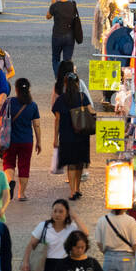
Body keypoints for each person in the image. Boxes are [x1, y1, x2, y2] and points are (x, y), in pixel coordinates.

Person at [20, 199, 85, 271]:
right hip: (46, 266)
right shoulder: (44, 226)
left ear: (66, 213)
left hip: (64, 266)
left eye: (61, 211)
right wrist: (25, 261)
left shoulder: (71, 228)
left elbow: (85, 234)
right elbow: (31, 244)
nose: (57, 214)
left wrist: (75, 217)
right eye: (55, 211)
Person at [53, 69, 94, 201]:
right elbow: (91, 111)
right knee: (79, 163)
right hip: (81, 135)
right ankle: (77, 188)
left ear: (65, 84)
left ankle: (72, 192)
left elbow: (57, 120)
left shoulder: (61, 99)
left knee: (70, 164)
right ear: (77, 83)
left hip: (66, 136)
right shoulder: (82, 97)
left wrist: (55, 138)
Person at [0, 77, 42, 201]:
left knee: (9, 163)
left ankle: (10, 181)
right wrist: (39, 142)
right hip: (26, 141)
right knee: (24, 166)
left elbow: (1, 119)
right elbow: (37, 125)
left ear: (16, 89)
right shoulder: (33, 105)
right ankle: (21, 194)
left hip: (10, 140)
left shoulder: (9, 102)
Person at [47, 0, 81, 79]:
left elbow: (48, 16)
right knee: (67, 60)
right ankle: (68, 78)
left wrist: (53, 3)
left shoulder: (55, 5)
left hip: (57, 35)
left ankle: (58, 78)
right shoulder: (72, 5)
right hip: (69, 36)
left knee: (56, 58)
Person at [101, 14, 134, 108]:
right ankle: (110, 98)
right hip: (123, 58)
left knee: (110, 79)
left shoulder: (110, 36)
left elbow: (106, 49)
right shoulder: (126, 38)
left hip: (112, 59)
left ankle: (107, 98)